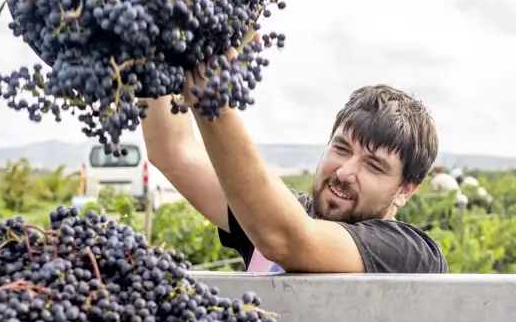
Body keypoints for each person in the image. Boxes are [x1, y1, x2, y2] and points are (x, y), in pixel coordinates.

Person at [140, 61, 448, 274]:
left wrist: (210, 94)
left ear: (406, 190)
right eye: (341, 149)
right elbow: (174, 151)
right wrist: (155, 48)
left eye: (374, 166)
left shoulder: (413, 254)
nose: (344, 172)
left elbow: (288, 240)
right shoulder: (272, 213)